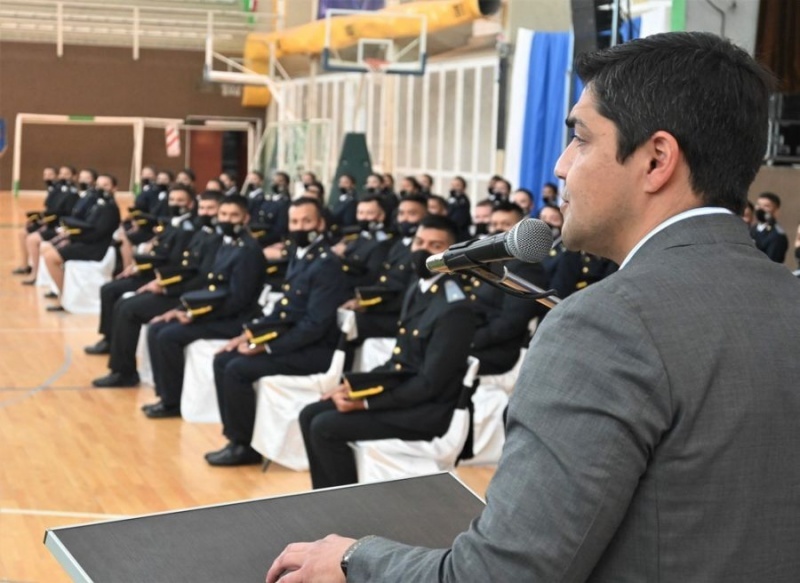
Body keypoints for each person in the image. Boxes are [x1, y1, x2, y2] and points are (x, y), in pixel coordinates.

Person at [267, 32, 800, 582]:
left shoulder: (606, 325)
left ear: (656, 159)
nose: (561, 165)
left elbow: (502, 575)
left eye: (581, 139)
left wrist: (357, 560)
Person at [299, 215, 476, 489]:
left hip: (428, 412)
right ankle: (325, 498)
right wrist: (353, 387)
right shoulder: (419, 288)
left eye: (434, 245)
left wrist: (366, 402)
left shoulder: (455, 308)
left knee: (325, 426)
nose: (422, 250)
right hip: (407, 396)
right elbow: (399, 363)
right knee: (310, 413)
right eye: (419, 242)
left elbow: (429, 384)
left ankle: (343, 510)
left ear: (450, 253)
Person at [206, 197, 348, 466]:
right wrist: (249, 334)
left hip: (315, 351)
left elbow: (314, 325)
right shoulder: (301, 255)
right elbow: (283, 312)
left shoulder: (326, 264)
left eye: (307, 221)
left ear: (320, 223)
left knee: (237, 368)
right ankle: (234, 436)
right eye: (295, 221)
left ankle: (244, 446)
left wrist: (267, 346)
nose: (300, 227)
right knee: (223, 358)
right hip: (293, 341)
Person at [142, 195, 266, 418]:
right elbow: (211, 287)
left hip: (233, 319)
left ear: (246, 218)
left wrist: (196, 315)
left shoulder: (248, 251)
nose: (227, 220)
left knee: (168, 336)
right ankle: (165, 394)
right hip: (214, 311)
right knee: (157, 328)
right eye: (223, 215)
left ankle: (172, 402)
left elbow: (238, 300)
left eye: (234, 216)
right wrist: (183, 309)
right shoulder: (227, 244)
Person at [91, 191, 225, 387]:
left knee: (129, 309)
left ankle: (124, 372)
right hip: (178, 286)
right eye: (203, 207)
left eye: (210, 209)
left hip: (189, 296)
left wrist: (166, 287)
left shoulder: (214, 238)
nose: (205, 212)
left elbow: (202, 278)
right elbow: (186, 266)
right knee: (122, 303)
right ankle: (118, 362)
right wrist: (160, 281)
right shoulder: (203, 233)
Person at [84, 185, 198, 358]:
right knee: (109, 289)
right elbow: (158, 251)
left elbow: (175, 262)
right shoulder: (173, 222)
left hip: (163, 277)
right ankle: (109, 338)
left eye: (180, 200)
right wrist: (136, 266)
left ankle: (121, 361)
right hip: (152, 271)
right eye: (172, 200)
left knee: (123, 302)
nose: (175, 204)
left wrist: (152, 276)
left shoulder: (188, 229)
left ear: (191, 204)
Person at [468, 202, 549, 374]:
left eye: (505, 224)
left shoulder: (526, 268)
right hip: (471, 334)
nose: (498, 229)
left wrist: (471, 340)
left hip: (496, 351)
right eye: (494, 224)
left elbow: (510, 323)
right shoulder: (487, 260)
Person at [40, 173, 121, 310]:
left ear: (114, 188)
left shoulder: (110, 208)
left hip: (96, 249)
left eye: (105, 185)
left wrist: (72, 237)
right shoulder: (96, 203)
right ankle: (64, 292)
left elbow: (96, 234)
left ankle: (63, 296)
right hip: (86, 243)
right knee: (48, 251)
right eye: (99, 185)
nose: (101, 189)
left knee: (51, 258)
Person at [751, 192, 788, 263]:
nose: (760, 209)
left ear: (776, 210)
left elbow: (772, 262)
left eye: (766, 206)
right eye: (758, 205)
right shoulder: (752, 229)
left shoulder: (777, 235)